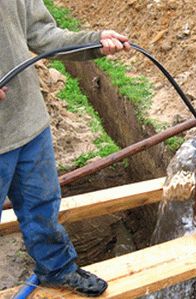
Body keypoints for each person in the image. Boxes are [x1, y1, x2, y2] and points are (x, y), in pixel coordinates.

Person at [0, 0, 131, 296]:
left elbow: (44, 34)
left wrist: (94, 41)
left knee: (42, 204)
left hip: (28, 122)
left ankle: (56, 269)